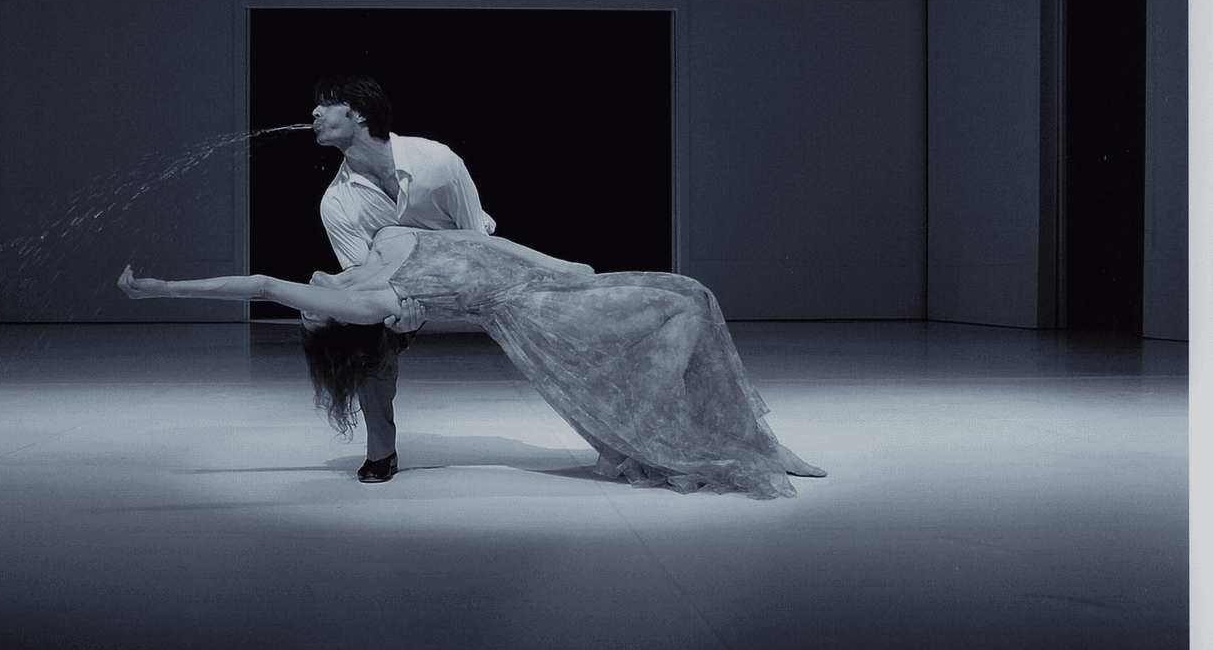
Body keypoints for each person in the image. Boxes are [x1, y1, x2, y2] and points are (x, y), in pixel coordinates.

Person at [118, 227, 825, 500]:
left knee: (687, 302)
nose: (305, 297)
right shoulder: (366, 302)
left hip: (545, 281)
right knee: (686, 301)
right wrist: (159, 290)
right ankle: (727, 442)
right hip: (532, 313)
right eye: (308, 310)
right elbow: (265, 287)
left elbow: (469, 237)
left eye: (305, 305)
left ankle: (746, 437)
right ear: (329, 315)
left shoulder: (380, 244)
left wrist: (555, 258)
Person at [308, 75, 495, 484]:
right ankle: (381, 452)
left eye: (326, 104)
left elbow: (477, 244)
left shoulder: (436, 162)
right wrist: (395, 319)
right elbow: (364, 278)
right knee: (363, 338)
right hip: (399, 291)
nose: (314, 113)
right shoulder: (337, 202)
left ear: (357, 114)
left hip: (470, 271)